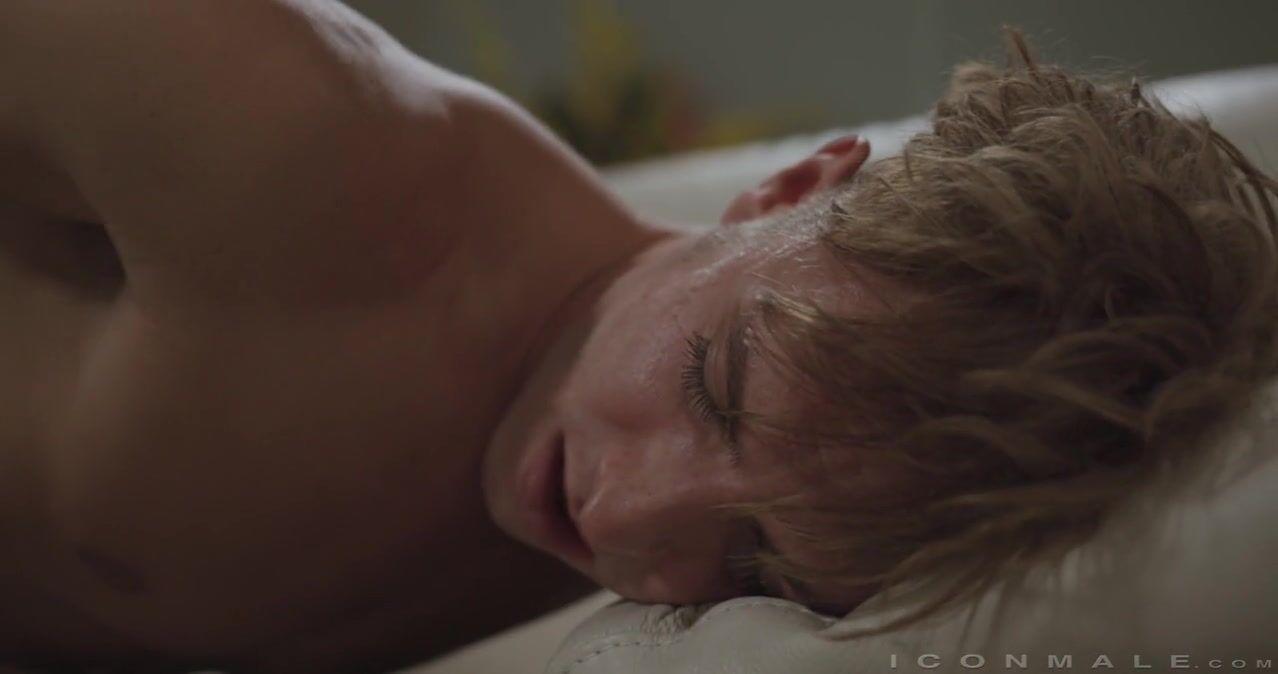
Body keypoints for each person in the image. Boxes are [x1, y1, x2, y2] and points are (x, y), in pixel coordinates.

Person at [3, 1, 1276, 672]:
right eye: (714, 387)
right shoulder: (286, 136)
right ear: (787, 189)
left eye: (761, 560)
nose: (630, 520)